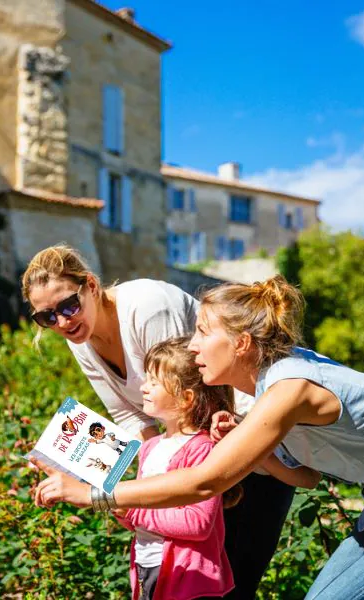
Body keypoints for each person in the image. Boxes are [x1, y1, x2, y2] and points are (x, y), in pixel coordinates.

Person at [31, 275, 364, 600]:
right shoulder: (257, 396)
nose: (191, 345)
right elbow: (308, 478)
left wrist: (92, 493)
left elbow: (202, 483)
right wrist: (260, 455)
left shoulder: (288, 388)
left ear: (240, 344)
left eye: (201, 332)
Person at [21, 246, 298, 598]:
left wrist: (134, 495)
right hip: (198, 453)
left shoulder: (146, 305)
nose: (62, 322)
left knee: (232, 584)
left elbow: (191, 393)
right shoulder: (81, 337)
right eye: (47, 318)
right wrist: (143, 473)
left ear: (90, 285)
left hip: (249, 445)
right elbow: (130, 415)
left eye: (68, 306)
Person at [115, 336, 320, 600]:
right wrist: (123, 513)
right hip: (148, 568)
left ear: (186, 398)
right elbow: (143, 519)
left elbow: (197, 523)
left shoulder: (202, 448)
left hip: (188, 578)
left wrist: (134, 511)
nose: (143, 387)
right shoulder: (149, 447)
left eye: (154, 382)